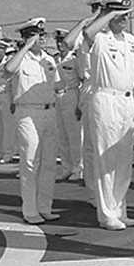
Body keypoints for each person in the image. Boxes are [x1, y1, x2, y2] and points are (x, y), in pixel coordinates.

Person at [82, 0, 134, 231]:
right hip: (105, 98)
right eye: (119, 16)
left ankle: (120, 210)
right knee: (106, 158)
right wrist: (106, 15)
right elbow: (86, 34)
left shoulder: (131, 40)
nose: (123, 20)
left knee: (124, 160)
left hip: (127, 101)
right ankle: (107, 214)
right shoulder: (100, 39)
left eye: (126, 15)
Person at [4, 17, 61, 225]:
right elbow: (8, 70)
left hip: (49, 112)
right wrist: (26, 47)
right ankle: (30, 210)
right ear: (28, 37)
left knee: (48, 164)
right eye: (38, 35)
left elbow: (57, 84)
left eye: (43, 34)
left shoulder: (49, 59)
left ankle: (45, 207)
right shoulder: (20, 59)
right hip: (28, 113)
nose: (43, 38)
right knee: (30, 163)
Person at [63, 0, 111, 207]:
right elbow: (67, 42)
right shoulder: (86, 34)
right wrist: (84, 22)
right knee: (92, 146)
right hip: (91, 89)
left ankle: (110, 192)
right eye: (99, 9)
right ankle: (94, 192)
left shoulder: (111, 33)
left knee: (110, 146)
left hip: (111, 90)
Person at [54, 28, 83, 182]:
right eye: (58, 41)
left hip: (72, 94)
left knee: (74, 135)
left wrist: (80, 104)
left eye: (62, 41)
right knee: (62, 136)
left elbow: (82, 80)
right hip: (57, 97)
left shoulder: (74, 59)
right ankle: (66, 167)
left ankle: (78, 168)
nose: (60, 44)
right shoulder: (55, 59)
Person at [0, 39, 16, 165]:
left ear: (4, 50)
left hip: (6, 95)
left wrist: (13, 100)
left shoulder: (9, 63)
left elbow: (13, 83)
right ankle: (0, 151)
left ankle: (8, 152)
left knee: (8, 126)